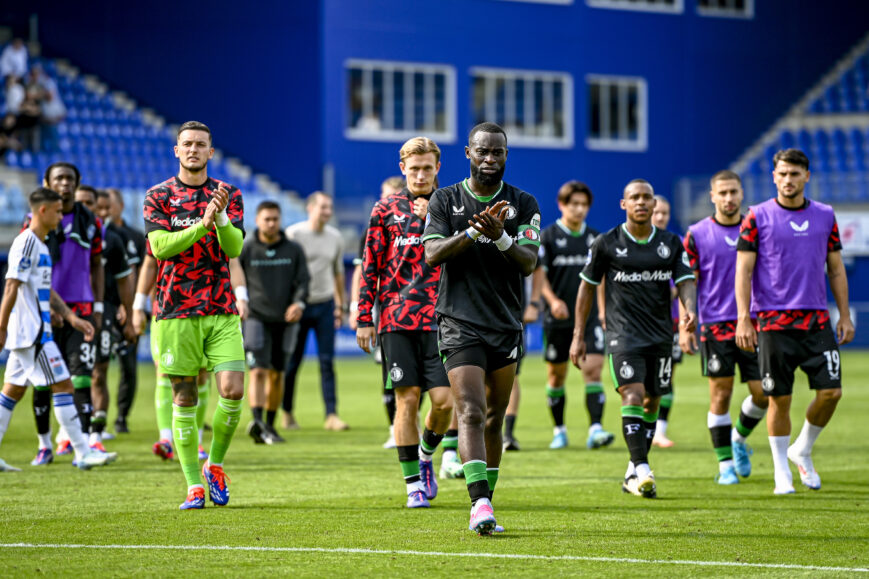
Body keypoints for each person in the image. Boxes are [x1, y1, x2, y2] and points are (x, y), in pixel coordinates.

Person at [423, 122, 541, 535]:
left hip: (505, 325)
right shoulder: (445, 199)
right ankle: (480, 505)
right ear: (468, 154)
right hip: (458, 322)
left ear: (506, 156)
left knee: (494, 419)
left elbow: (528, 262)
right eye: (483, 152)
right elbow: (432, 254)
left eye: (498, 153)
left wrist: (503, 237)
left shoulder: (523, 203)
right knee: (470, 410)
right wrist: (473, 231)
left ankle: (486, 494)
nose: (490, 159)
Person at [735, 148, 854, 495]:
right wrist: (745, 318)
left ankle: (801, 449)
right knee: (779, 399)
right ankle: (780, 474)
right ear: (774, 177)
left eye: (795, 174)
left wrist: (844, 314)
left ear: (807, 176)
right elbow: (743, 271)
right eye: (782, 174)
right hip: (773, 323)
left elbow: (835, 268)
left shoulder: (825, 215)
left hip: (816, 321)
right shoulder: (756, 217)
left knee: (832, 392)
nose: (788, 180)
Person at [570, 179, 696, 499]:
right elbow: (586, 286)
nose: (641, 202)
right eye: (634, 198)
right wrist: (578, 335)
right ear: (623, 204)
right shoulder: (606, 243)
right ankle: (642, 468)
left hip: (660, 336)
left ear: (654, 205)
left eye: (646, 198)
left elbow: (685, 280)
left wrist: (689, 310)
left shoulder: (670, 243)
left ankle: (631, 471)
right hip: (622, 335)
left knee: (653, 399)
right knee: (633, 394)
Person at [143, 120, 246, 510]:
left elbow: (233, 247)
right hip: (175, 309)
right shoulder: (159, 196)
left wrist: (219, 218)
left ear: (210, 152)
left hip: (220, 307)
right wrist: (201, 225)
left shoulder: (228, 195)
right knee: (183, 396)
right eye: (187, 144)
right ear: (176, 150)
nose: (193, 150)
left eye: (201, 144)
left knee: (233, 390)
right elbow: (160, 248)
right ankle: (192, 485)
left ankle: (214, 465)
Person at [357, 137, 454, 509]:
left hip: (443, 320)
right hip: (396, 319)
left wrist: (432, 216)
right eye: (413, 168)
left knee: (444, 403)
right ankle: (413, 484)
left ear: (437, 169)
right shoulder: (383, 210)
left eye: (427, 167)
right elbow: (371, 266)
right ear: (403, 169)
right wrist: (365, 316)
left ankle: (427, 456)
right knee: (407, 399)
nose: (420, 174)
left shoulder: (451, 207)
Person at [0, 187, 113, 472]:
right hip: (32, 333)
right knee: (63, 385)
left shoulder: (40, 244)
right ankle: (83, 451)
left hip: (34, 330)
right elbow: (12, 285)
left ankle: (82, 450)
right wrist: (1, 327)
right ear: (43, 211)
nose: (61, 216)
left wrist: (71, 318)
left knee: (11, 392)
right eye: (57, 211)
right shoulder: (26, 242)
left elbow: (44, 289)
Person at [681, 171, 768, 484]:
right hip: (715, 326)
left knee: (764, 394)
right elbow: (687, 282)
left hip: (756, 323)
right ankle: (724, 466)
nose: (729, 198)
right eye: (723, 193)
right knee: (720, 395)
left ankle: (738, 439)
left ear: (741, 193)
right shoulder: (697, 234)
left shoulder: (759, 227)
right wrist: (685, 324)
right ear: (712, 196)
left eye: (734, 192)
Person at [25, 162, 104, 466]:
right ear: (47, 182)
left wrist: (97, 307)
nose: (65, 184)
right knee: (43, 380)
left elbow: (97, 265)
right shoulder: (34, 222)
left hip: (82, 309)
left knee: (82, 377)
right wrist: (45, 306)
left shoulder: (92, 222)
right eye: (59, 178)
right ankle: (44, 444)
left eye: (70, 179)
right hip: (43, 310)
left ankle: (83, 447)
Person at [533, 180, 614, 450]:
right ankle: (559, 430)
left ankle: (596, 429)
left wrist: (603, 312)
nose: (579, 209)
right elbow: (539, 274)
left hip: (589, 319)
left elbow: (599, 280)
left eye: (584, 205)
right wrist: (552, 301)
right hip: (557, 319)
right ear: (562, 205)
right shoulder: (548, 236)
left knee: (593, 370)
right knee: (556, 376)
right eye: (574, 204)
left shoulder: (595, 239)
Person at [234, 200, 309, 445]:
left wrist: (298, 303)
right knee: (257, 371)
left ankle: (270, 424)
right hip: (256, 317)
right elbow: (236, 278)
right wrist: (239, 301)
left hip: (286, 321)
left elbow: (303, 283)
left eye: (275, 219)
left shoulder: (294, 249)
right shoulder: (246, 248)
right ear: (257, 220)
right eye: (266, 219)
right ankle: (257, 422)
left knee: (278, 375)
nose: (271, 223)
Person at [75, 186, 136, 449]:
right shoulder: (67, 236)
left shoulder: (113, 240)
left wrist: (128, 309)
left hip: (107, 310)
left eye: (102, 208)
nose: (98, 212)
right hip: (72, 309)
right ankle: (71, 433)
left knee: (99, 372)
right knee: (73, 375)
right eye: (92, 207)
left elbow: (126, 278)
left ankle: (96, 434)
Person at [284, 192, 348, 431]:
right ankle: (287, 412)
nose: (327, 211)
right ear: (310, 208)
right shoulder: (294, 234)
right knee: (293, 362)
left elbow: (338, 273)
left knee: (327, 362)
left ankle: (331, 415)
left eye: (329, 207)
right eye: (323, 207)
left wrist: (340, 306)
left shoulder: (335, 237)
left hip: (325, 304)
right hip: (299, 306)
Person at [349, 175, 405, 448]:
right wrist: (358, 309)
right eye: (384, 194)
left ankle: (411, 425)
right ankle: (395, 427)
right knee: (389, 372)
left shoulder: (422, 218)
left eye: (391, 194)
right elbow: (362, 271)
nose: (386, 199)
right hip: (386, 311)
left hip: (420, 310)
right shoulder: (374, 225)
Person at [105, 188, 146, 434]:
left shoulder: (136, 236)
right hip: (105, 308)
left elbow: (143, 270)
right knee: (96, 368)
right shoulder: (99, 235)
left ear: (120, 206)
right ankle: (94, 420)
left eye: (110, 206)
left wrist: (132, 305)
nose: (106, 211)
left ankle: (121, 417)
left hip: (130, 309)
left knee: (129, 367)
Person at [649, 195, 680, 448]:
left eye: (665, 213)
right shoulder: (629, 242)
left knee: (667, 376)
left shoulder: (674, 243)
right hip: (640, 324)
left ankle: (660, 430)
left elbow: (684, 282)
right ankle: (644, 427)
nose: (660, 217)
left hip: (671, 322)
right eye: (656, 212)